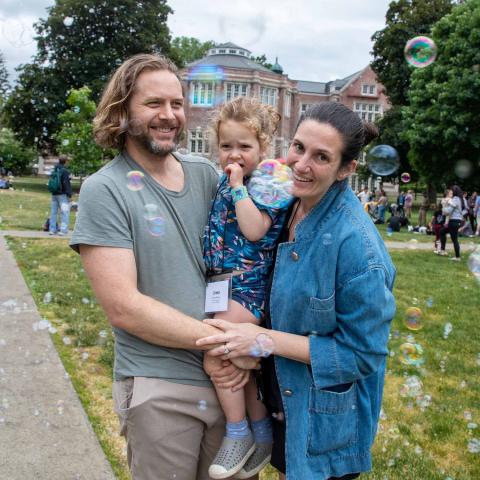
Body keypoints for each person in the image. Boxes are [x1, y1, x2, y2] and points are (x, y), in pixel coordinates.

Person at [70, 53, 256, 480]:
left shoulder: (208, 175)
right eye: (154, 104)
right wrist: (226, 343)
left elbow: (242, 254)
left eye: (177, 103)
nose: (170, 115)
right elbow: (125, 307)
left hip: (232, 385)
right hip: (160, 384)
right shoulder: (106, 190)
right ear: (122, 111)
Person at [197, 102, 396, 479]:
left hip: (324, 425)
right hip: (286, 401)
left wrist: (262, 340)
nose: (301, 164)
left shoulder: (358, 248)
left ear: (347, 169)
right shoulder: (290, 204)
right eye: (299, 148)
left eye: (321, 157)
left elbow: (362, 355)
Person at [203, 97, 291, 479]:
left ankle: (237, 433)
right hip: (224, 285)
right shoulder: (225, 177)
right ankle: (261, 433)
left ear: (264, 147)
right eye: (226, 146)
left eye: (244, 146)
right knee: (242, 366)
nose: (234, 154)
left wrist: (238, 187)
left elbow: (254, 230)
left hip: (250, 287)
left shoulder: (272, 180)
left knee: (214, 351)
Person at [49, 155, 72, 236]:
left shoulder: (55, 169)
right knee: (65, 212)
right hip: (62, 194)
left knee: (53, 212)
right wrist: (69, 194)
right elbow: (66, 184)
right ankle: (63, 230)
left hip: (54, 193)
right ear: (65, 161)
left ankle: (52, 230)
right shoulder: (64, 171)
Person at [438, 186, 464, 260]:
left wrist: (443, 205)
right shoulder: (459, 199)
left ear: (455, 191)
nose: (451, 192)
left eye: (452, 191)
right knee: (442, 231)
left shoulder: (456, 199)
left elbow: (448, 211)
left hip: (454, 221)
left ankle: (457, 257)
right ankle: (443, 250)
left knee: (454, 239)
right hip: (455, 221)